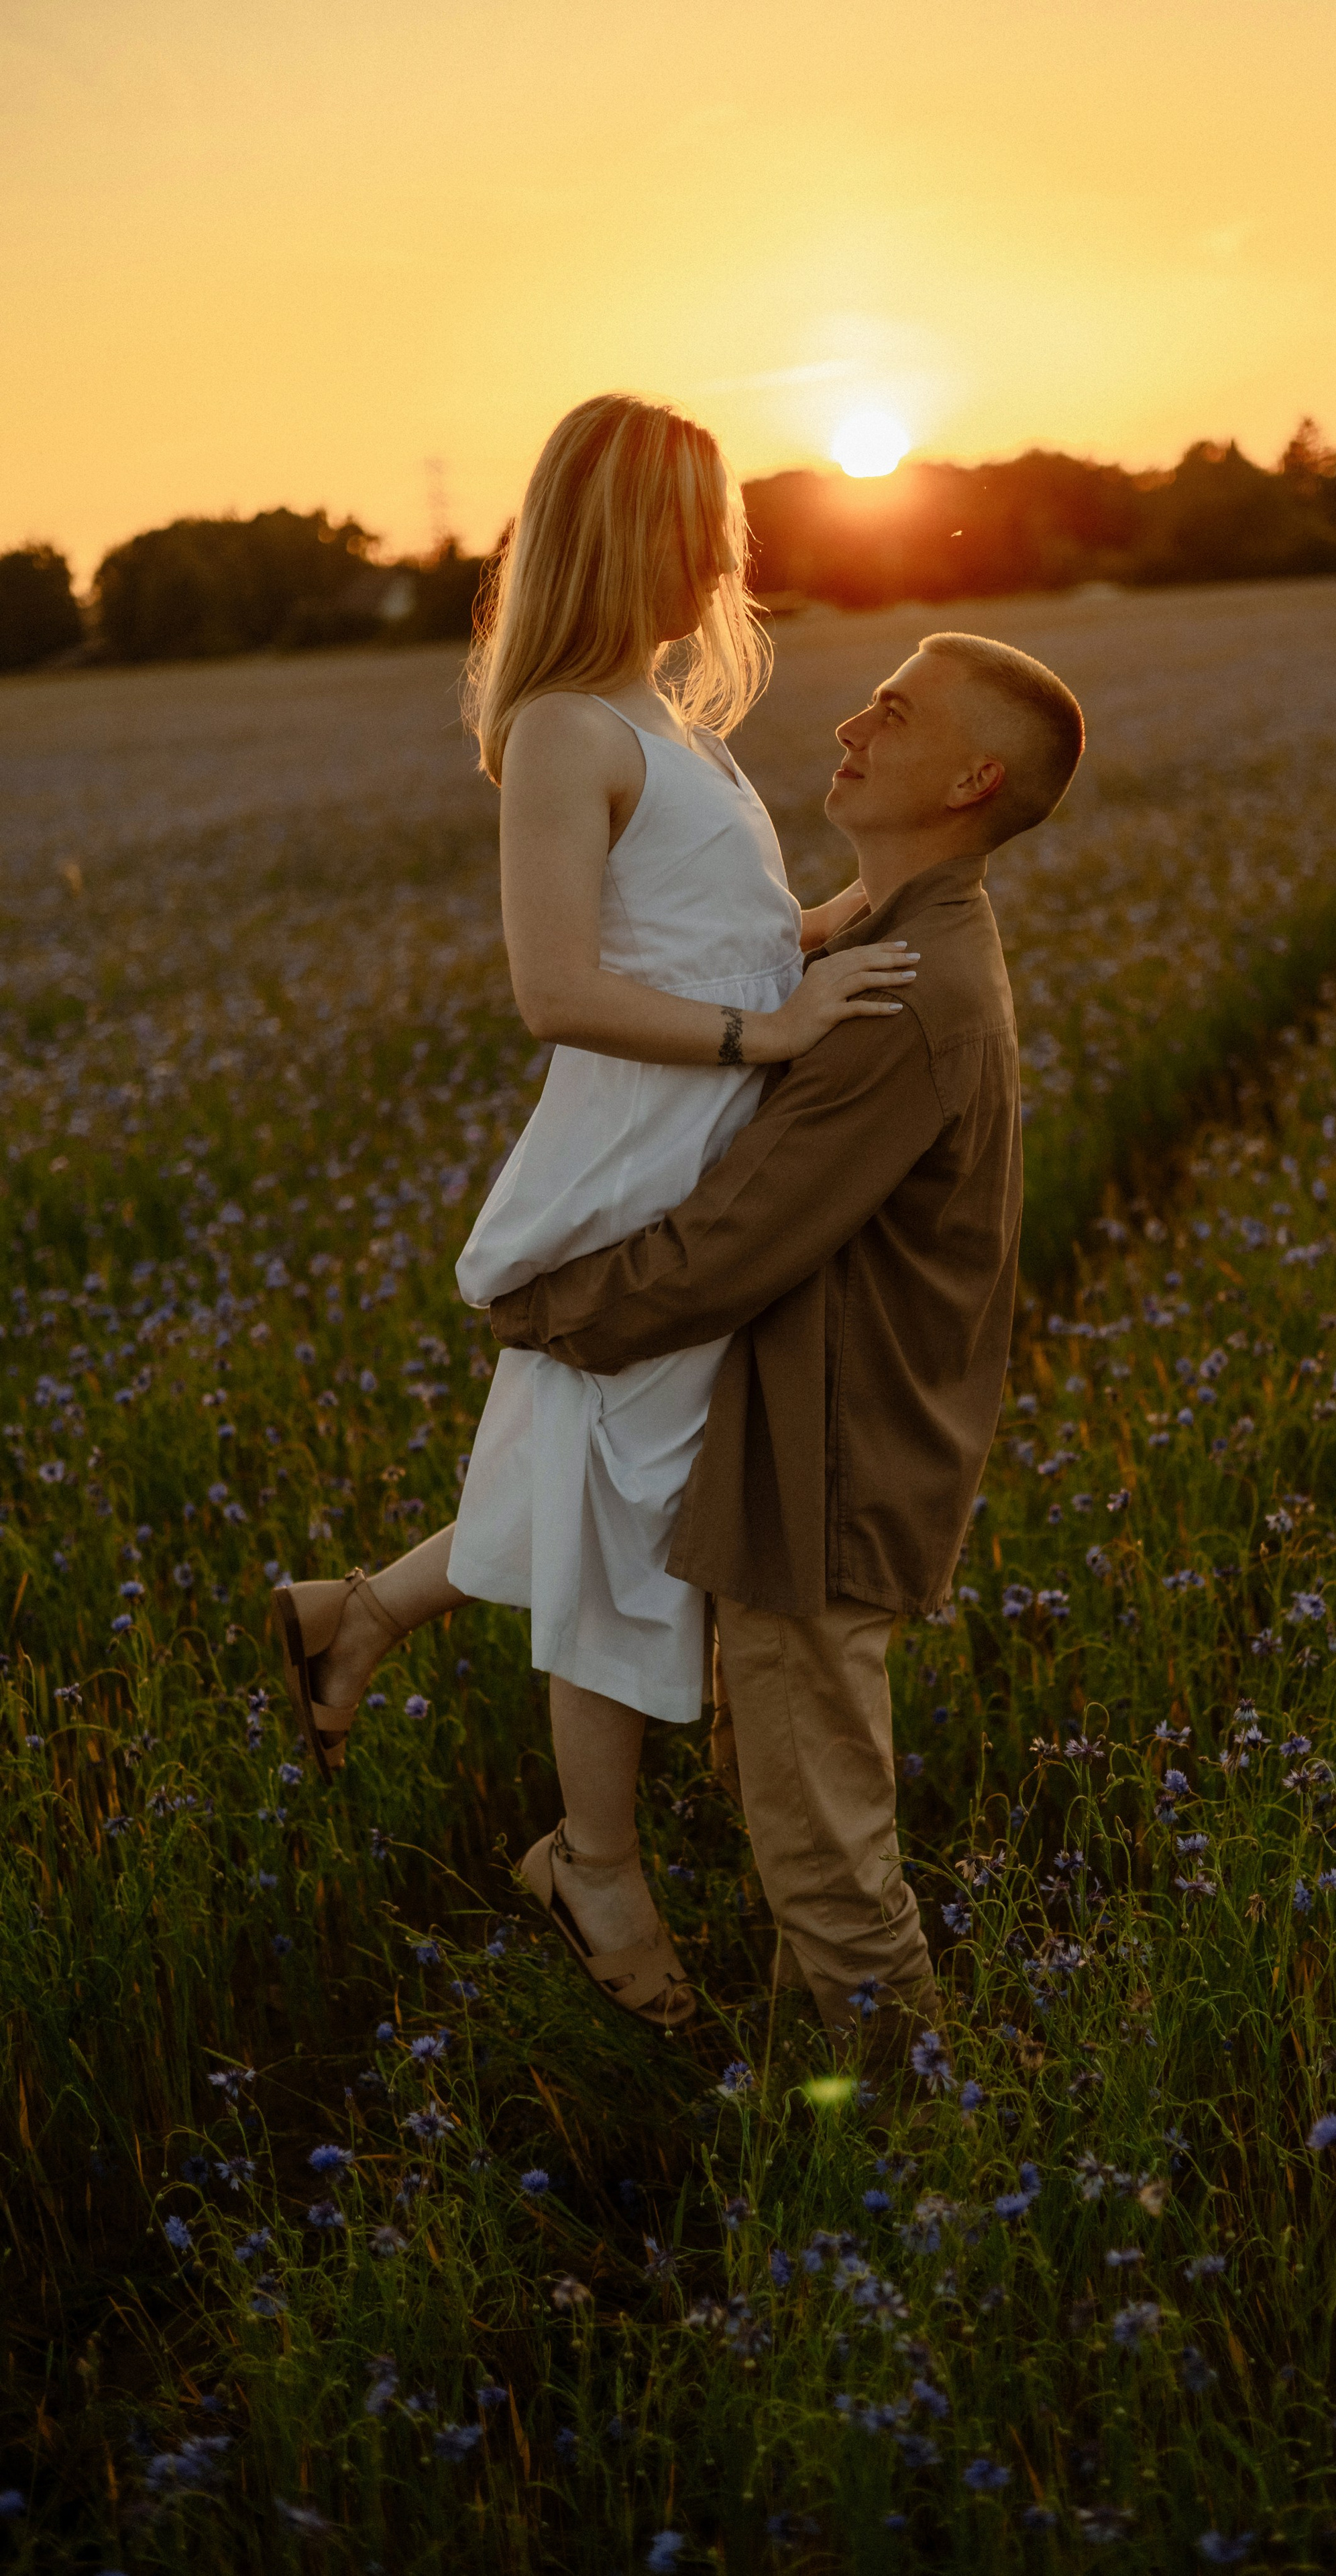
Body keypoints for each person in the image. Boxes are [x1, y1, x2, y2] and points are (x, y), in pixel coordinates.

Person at [269, 393, 915, 2031]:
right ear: (633, 528)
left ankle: (359, 1616)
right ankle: (592, 1863)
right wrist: (761, 1035)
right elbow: (555, 987)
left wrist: (839, 924)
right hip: (636, 1162)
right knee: (630, 1519)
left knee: (589, 1468)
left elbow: (709, 932)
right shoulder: (569, 724)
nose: (727, 544)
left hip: (692, 1153)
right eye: (699, 515)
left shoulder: (665, 718)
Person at [487, 627, 1084, 2053]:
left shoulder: (903, 996)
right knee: (796, 1812)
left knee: (826, 1854)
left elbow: (726, 1249)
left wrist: (534, 1309)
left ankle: (917, 2165)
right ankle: (816, 2109)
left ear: (973, 777)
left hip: (827, 1464)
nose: (851, 728)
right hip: (813, 1447)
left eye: (896, 712)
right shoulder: (890, 940)